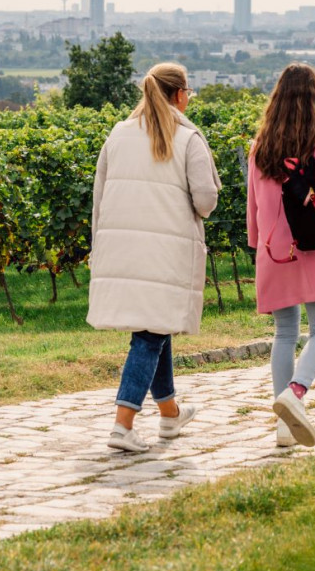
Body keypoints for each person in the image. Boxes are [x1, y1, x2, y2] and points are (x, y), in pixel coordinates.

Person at [88, 63, 220, 453]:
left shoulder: (119, 134)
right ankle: (122, 425)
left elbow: (99, 196)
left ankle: (169, 414)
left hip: (122, 248)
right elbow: (206, 201)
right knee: (149, 336)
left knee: (154, 328)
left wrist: (100, 245)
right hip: (167, 251)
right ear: (180, 95)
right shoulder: (188, 138)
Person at [247, 63, 315, 447]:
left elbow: (254, 205)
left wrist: (259, 246)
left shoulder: (261, 145)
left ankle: (284, 428)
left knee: (284, 332)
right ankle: (295, 393)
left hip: (275, 252)